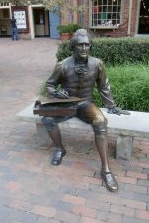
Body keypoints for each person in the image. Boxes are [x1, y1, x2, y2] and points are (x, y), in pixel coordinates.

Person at [42, 29, 129, 192]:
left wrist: (111, 105)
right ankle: (60, 149)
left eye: (87, 45)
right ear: (74, 47)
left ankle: (106, 170)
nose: (84, 48)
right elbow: (50, 85)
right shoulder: (62, 65)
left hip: (85, 104)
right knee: (47, 118)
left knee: (101, 121)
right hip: (66, 104)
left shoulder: (98, 64)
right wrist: (56, 94)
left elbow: (104, 86)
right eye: (80, 45)